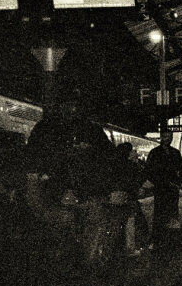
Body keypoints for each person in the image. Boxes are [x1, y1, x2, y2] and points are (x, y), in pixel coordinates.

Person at [24, 92, 122, 265]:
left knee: (65, 234)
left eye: (73, 105)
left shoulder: (46, 128)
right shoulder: (89, 129)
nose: (71, 109)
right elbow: (109, 159)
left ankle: (68, 261)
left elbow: (32, 158)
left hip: (66, 192)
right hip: (75, 193)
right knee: (82, 234)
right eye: (68, 105)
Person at [144, 130, 182, 249]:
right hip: (163, 187)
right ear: (161, 137)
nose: (168, 139)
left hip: (168, 187)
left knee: (168, 213)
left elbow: (181, 169)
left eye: (170, 137)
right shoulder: (171, 152)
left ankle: (167, 239)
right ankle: (161, 239)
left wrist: (178, 183)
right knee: (162, 213)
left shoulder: (156, 152)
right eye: (166, 136)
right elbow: (149, 170)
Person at [113, 142, 149, 256]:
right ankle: (130, 248)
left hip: (115, 197)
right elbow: (140, 179)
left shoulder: (114, 164)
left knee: (118, 223)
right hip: (128, 198)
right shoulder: (132, 166)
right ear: (128, 153)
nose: (135, 152)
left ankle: (117, 248)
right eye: (132, 150)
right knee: (130, 223)